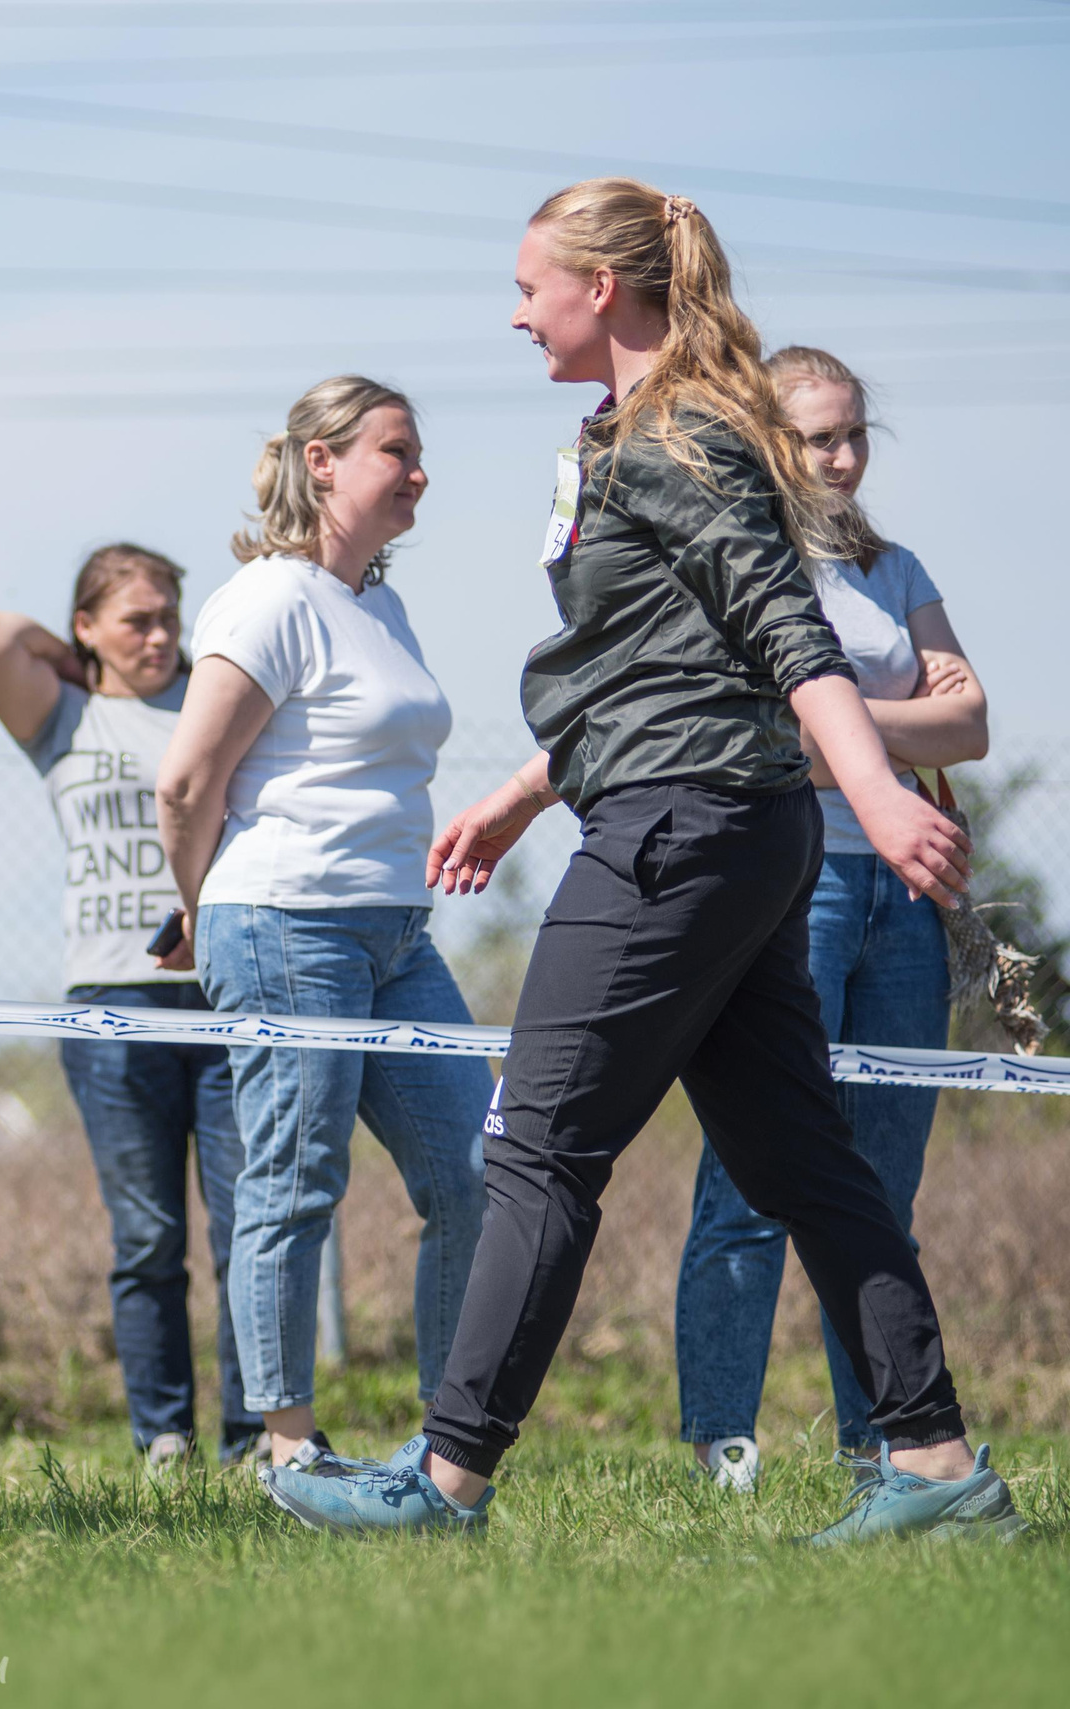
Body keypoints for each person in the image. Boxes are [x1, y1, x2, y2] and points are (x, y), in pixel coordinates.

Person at [268, 178, 1020, 1543]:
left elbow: (784, 627)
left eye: (529, 286)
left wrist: (875, 789)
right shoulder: (635, 432)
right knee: (806, 1163)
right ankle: (935, 1467)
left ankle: (445, 1478)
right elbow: (645, 664)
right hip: (714, 820)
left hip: (681, 829)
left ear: (600, 287)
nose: (516, 313)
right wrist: (522, 795)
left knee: (538, 1144)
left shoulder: (679, 431)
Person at [153, 379, 489, 1478]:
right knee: (296, 1182)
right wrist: (200, 909)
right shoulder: (268, 599)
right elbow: (186, 781)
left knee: (480, 1171)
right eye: (396, 449)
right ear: (322, 460)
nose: (418, 471)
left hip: (398, 933)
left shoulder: (380, 608)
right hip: (286, 922)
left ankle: (449, 1442)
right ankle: (286, 1442)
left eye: (419, 452)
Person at [670, 345, 989, 1494]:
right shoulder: (732, 557)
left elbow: (971, 724)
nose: (843, 457)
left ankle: (886, 1443)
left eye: (855, 433)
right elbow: (744, 734)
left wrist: (838, 717)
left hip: (904, 892)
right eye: (818, 437)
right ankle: (722, 1444)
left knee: (880, 1189)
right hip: (785, 884)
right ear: (765, 439)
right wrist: (884, 722)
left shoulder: (891, 566)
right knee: (751, 1182)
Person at [0, 544, 264, 1475]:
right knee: (148, 1238)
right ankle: (164, 1437)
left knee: (248, 1229)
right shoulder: (64, 714)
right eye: (137, 620)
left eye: (170, 617)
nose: (161, 636)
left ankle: (257, 1434)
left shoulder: (214, 701)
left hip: (223, 998)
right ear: (88, 626)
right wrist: (80, 662)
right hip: (109, 1009)